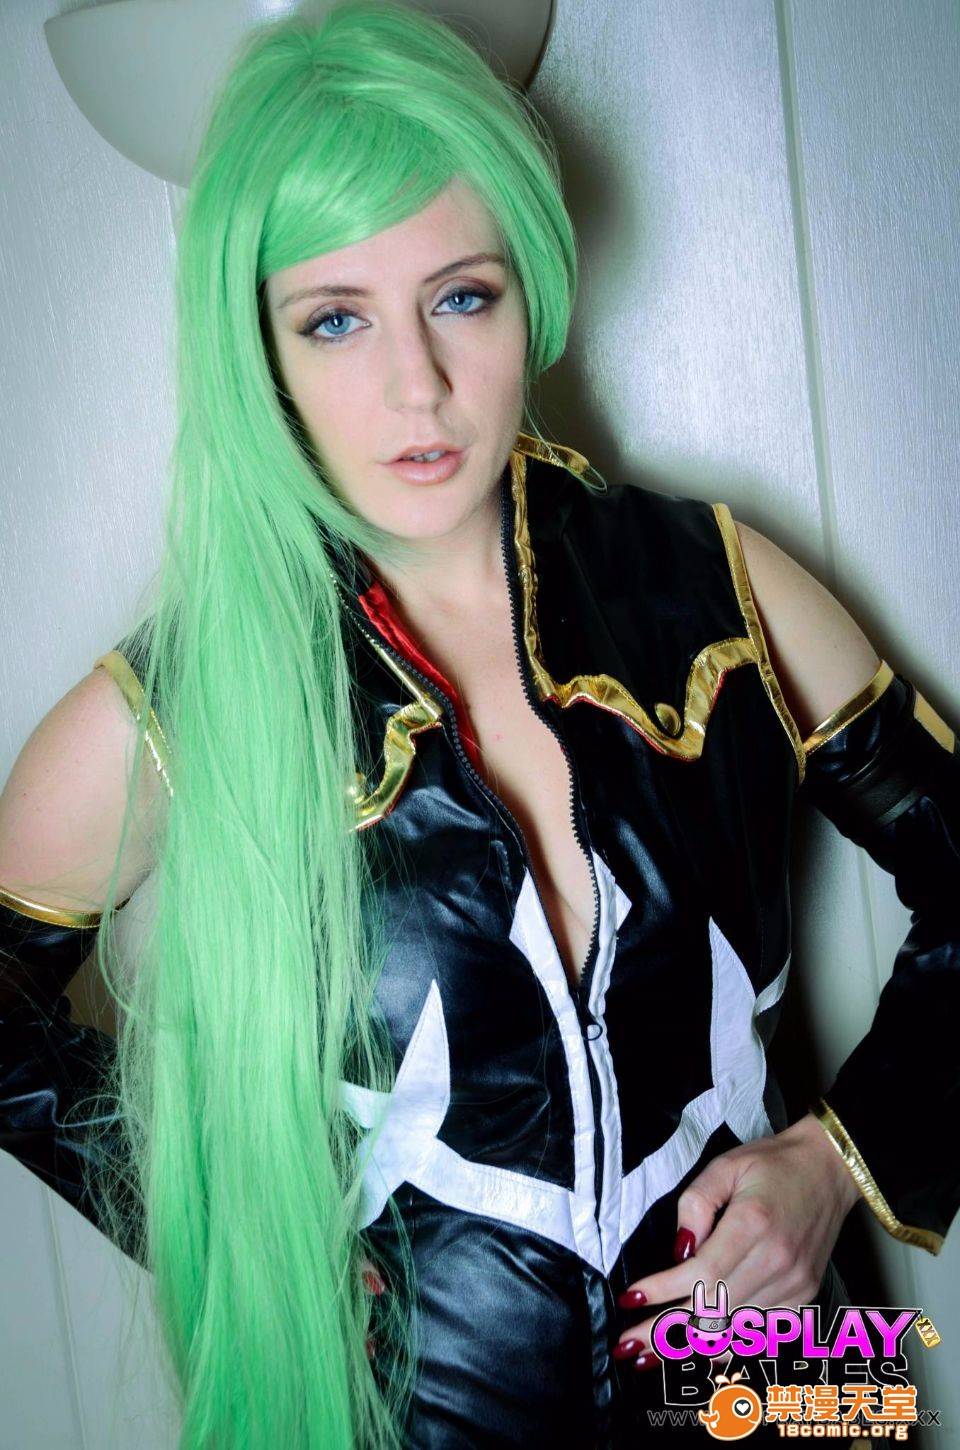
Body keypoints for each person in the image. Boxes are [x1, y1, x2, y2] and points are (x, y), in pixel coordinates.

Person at [1, 3, 956, 1446]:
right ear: (258, 348)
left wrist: (838, 1161)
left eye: (461, 296)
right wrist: (227, 1232)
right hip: (420, 1412)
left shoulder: (718, 589)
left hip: (782, 1387)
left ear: (532, 291)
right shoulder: (187, 703)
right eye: (336, 318)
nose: (418, 386)